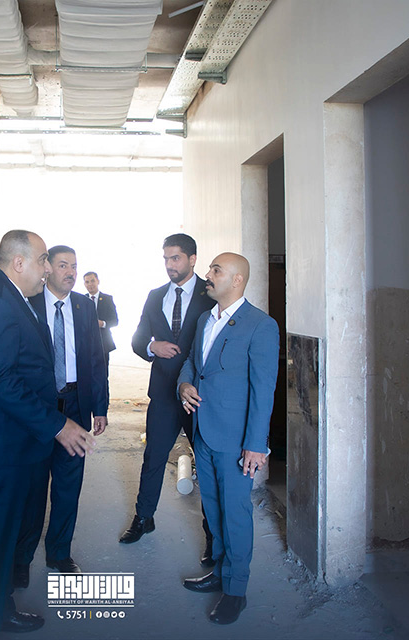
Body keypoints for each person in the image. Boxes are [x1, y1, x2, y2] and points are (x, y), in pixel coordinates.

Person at [0, 230, 95, 640]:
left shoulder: (10, 297)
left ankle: (0, 611)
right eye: (44, 259)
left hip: (8, 439)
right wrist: (58, 424)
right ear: (19, 263)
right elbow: (0, 380)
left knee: (5, 535)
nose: (47, 268)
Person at [178, 252, 279, 625]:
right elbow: (193, 363)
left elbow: (263, 390)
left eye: (216, 270)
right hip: (203, 431)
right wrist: (184, 384)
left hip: (237, 440)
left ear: (237, 279)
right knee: (213, 509)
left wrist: (256, 444)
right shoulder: (205, 319)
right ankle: (219, 571)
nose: (208, 274)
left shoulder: (260, 325)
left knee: (235, 513)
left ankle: (236, 591)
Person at [14, 246, 109, 586]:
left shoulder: (84, 307)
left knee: (68, 487)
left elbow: (96, 360)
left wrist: (100, 407)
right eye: (63, 265)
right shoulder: (28, 303)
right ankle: (21, 560)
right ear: (47, 269)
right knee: (32, 488)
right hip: (37, 410)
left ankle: (59, 553)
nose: (70, 272)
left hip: (75, 404)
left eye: (74, 266)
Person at [121, 233, 215, 561]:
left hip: (199, 396)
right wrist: (152, 346)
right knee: (154, 458)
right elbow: (137, 339)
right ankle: (143, 518)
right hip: (162, 393)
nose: (169, 265)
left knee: (206, 463)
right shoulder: (155, 295)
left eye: (175, 258)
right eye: (165, 259)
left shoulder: (211, 294)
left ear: (192, 259)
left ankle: (212, 535)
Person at [83, 271, 119, 364]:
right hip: (86, 345)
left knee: (103, 371)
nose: (90, 284)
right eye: (87, 282)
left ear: (98, 281)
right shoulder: (81, 300)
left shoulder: (107, 299)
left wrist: (102, 324)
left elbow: (115, 321)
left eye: (92, 281)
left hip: (103, 345)